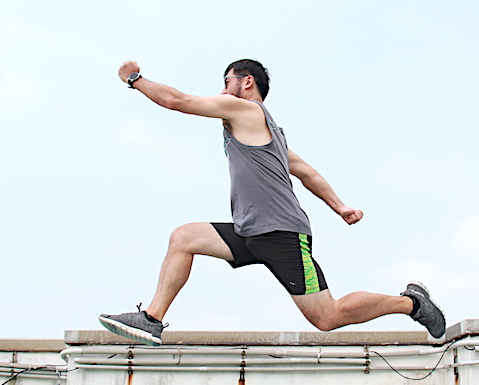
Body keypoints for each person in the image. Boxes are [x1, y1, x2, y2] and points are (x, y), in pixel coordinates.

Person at [99, 59, 445, 345]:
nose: (223, 92)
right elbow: (306, 172)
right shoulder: (271, 134)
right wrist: (339, 206)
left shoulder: (245, 110)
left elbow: (176, 100)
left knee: (327, 317)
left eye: (227, 83)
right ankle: (152, 320)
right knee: (184, 237)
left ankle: (412, 303)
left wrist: (134, 79)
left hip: (281, 234)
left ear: (247, 82)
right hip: (250, 231)